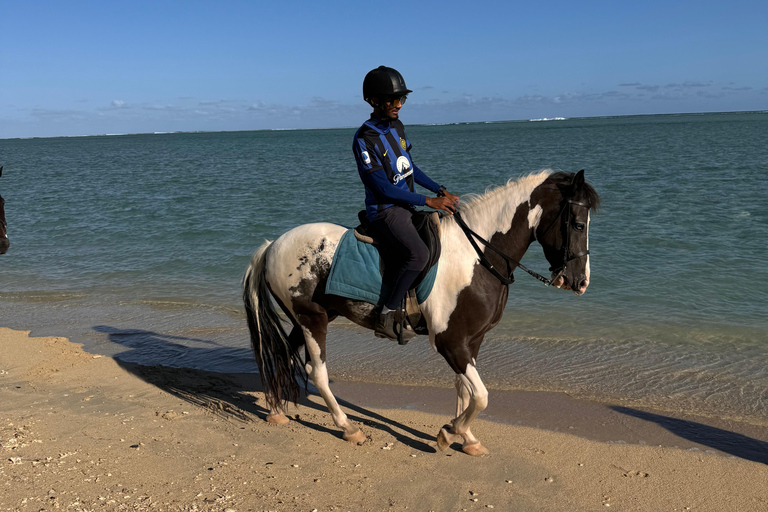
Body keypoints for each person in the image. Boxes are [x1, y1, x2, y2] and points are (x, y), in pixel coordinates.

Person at [352, 66, 460, 342]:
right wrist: (428, 200)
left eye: (402, 99)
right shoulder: (364, 139)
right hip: (385, 211)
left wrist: (440, 189)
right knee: (418, 255)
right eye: (393, 99)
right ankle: (387, 313)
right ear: (374, 101)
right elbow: (383, 188)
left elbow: (410, 168)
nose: (399, 104)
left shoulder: (397, 128)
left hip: (406, 206)